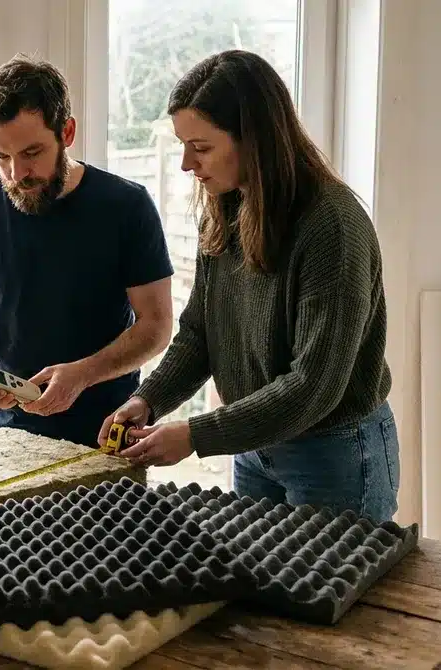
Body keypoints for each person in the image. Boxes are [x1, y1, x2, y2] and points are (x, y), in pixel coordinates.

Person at [104, 49, 400, 523]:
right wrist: (149, 398)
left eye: (200, 148)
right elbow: (201, 333)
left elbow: (313, 387)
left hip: (335, 454)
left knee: (329, 596)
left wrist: (196, 436)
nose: (186, 164)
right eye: (182, 146)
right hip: (254, 447)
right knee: (257, 591)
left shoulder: (333, 227)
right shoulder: (221, 209)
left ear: (255, 140)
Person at [0, 54, 175, 449]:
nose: (16, 173)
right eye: (2, 156)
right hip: (5, 433)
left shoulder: (127, 206)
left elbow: (156, 327)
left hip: (107, 434)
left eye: (32, 153)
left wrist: (82, 374)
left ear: (66, 133)